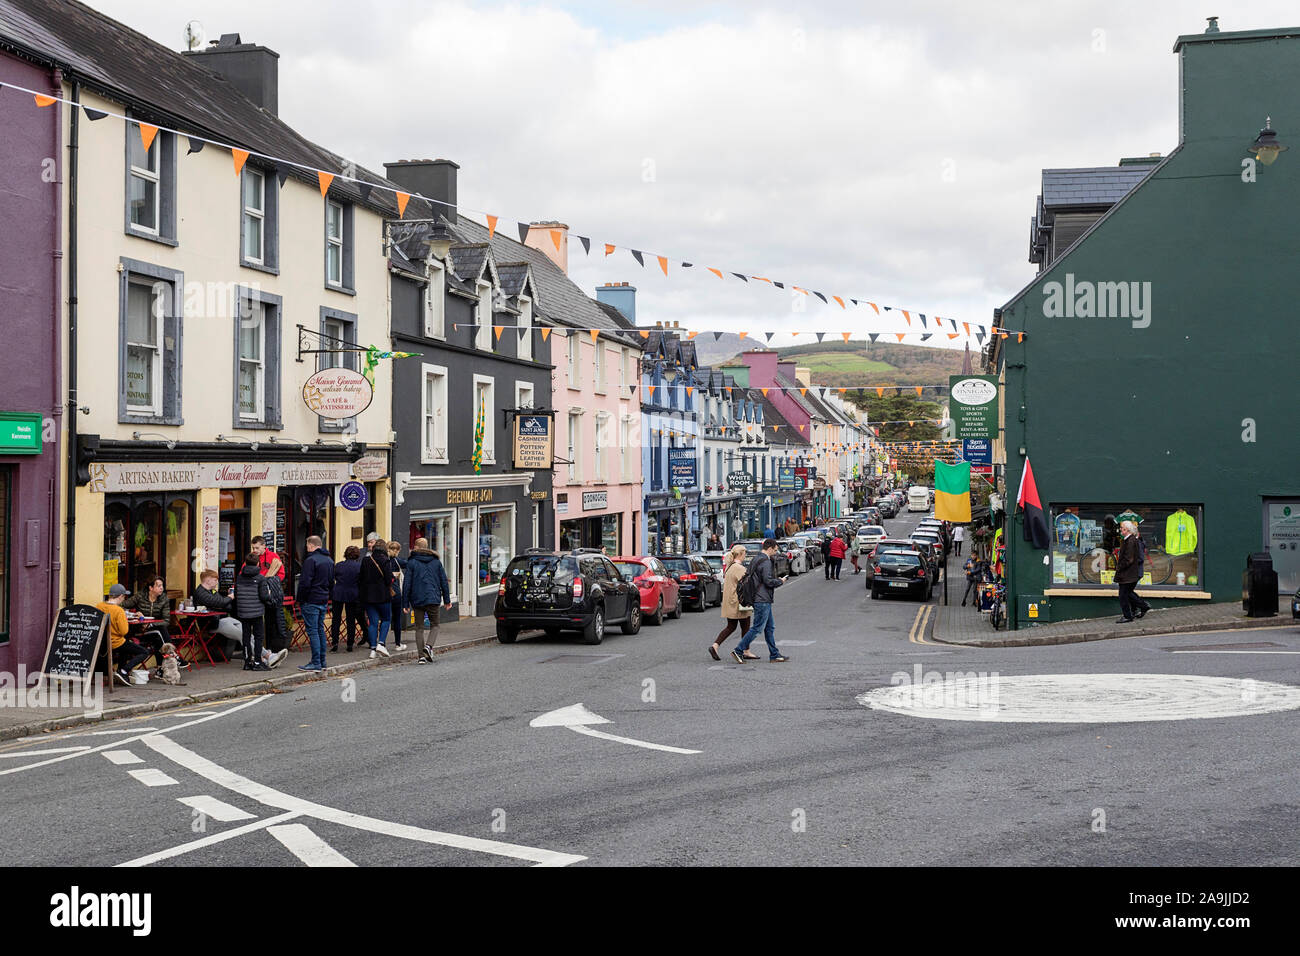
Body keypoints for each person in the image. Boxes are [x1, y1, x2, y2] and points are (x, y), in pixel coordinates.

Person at [731, 538, 790, 663]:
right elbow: (768, 581)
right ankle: (738, 650)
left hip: (757, 597)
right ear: (769, 548)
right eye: (774, 550)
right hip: (762, 598)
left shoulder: (756, 559)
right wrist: (780, 581)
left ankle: (774, 654)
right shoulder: (766, 562)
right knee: (757, 628)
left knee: (769, 627)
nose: (775, 552)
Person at [403, 537, 453, 664]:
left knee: (419, 628)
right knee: (435, 625)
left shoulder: (412, 562)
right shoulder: (436, 562)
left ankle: (421, 657)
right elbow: (444, 582)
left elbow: (407, 584)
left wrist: (405, 603)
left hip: (417, 599)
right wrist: (447, 600)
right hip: (433, 598)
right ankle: (429, 646)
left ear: (416, 547)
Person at [123, 577, 185, 670]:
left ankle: (160, 669)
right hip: (139, 631)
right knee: (159, 634)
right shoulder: (140, 596)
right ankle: (175, 656)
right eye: (158, 586)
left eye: (162, 586)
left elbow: (166, 621)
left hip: (153, 630)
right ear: (150, 588)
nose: (162, 588)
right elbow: (122, 605)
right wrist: (136, 615)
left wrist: (150, 624)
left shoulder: (164, 599)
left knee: (159, 634)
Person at [98, 583, 151, 686]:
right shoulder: (119, 611)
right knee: (144, 652)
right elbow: (124, 631)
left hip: (101, 643)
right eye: (124, 596)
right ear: (121, 596)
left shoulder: (99, 606)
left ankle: (121, 673)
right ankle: (123, 671)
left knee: (126, 645)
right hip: (115, 643)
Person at [711, 544, 755, 661]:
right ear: (740, 554)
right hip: (739, 602)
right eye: (744, 553)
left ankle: (715, 646)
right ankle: (746, 651)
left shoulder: (730, 567)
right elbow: (747, 583)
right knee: (745, 626)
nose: (745, 556)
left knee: (731, 626)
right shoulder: (739, 568)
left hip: (730, 601)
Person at [296, 535, 334, 671]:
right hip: (323, 599)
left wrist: (300, 599)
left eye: (307, 546)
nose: (307, 549)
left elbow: (305, 583)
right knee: (319, 630)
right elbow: (331, 582)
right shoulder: (329, 560)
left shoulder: (310, 560)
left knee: (313, 631)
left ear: (311, 546)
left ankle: (316, 662)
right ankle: (322, 661)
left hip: (310, 599)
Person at [250, 536, 288, 668]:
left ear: (263, 546)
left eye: (257, 547)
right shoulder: (252, 558)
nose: (255, 550)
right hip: (255, 596)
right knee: (258, 624)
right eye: (253, 548)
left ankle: (272, 649)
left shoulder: (272, 556)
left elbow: (281, 574)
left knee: (272, 622)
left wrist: (270, 583)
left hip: (269, 595)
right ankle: (261, 651)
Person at [233, 554, 271, 671]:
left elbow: (236, 593)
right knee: (259, 637)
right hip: (257, 612)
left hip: (243, 612)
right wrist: (269, 595)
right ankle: (258, 662)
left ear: (245, 563)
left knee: (246, 637)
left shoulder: (239, 577)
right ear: (258, 563)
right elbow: (264, 597)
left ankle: (247, 662)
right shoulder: (260, 578)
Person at [359, 536, 395, 658]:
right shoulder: (385, 560)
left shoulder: (365, 560)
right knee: (386, 619)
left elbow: (361, 579)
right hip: (383, 595)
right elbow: (388, 579)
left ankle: (373, 649)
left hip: (368, 597)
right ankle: (381, 643)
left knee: (373, 623)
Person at [1115, 520, 1151, 623]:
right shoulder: (1129, 540)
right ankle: (1140, 608)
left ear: (1126, 529)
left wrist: (1119, 567)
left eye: (1121, 528)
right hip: (1129, 573)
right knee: (1128, 593)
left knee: (1123, 595)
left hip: (1128, 574)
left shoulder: (1130, 541)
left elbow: (1129, 559)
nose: (1120, 530)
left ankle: (1128, 615)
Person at [330, 546, 363, 652]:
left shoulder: (339, 565)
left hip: (338, 592)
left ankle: (335, 642)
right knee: (350, 620)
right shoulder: (359, 566)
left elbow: (333, 577)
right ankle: (350, 644)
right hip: (352, 593)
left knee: (336, 619)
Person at [387, 541, 408, 652]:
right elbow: (409, 565)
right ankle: (398, 644)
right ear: (398, 551)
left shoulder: (384, 561)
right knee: (397, 619)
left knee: (386, 619)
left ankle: (380, 644)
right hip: (396, 593)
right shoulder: (397, 561)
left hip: (384, 593)